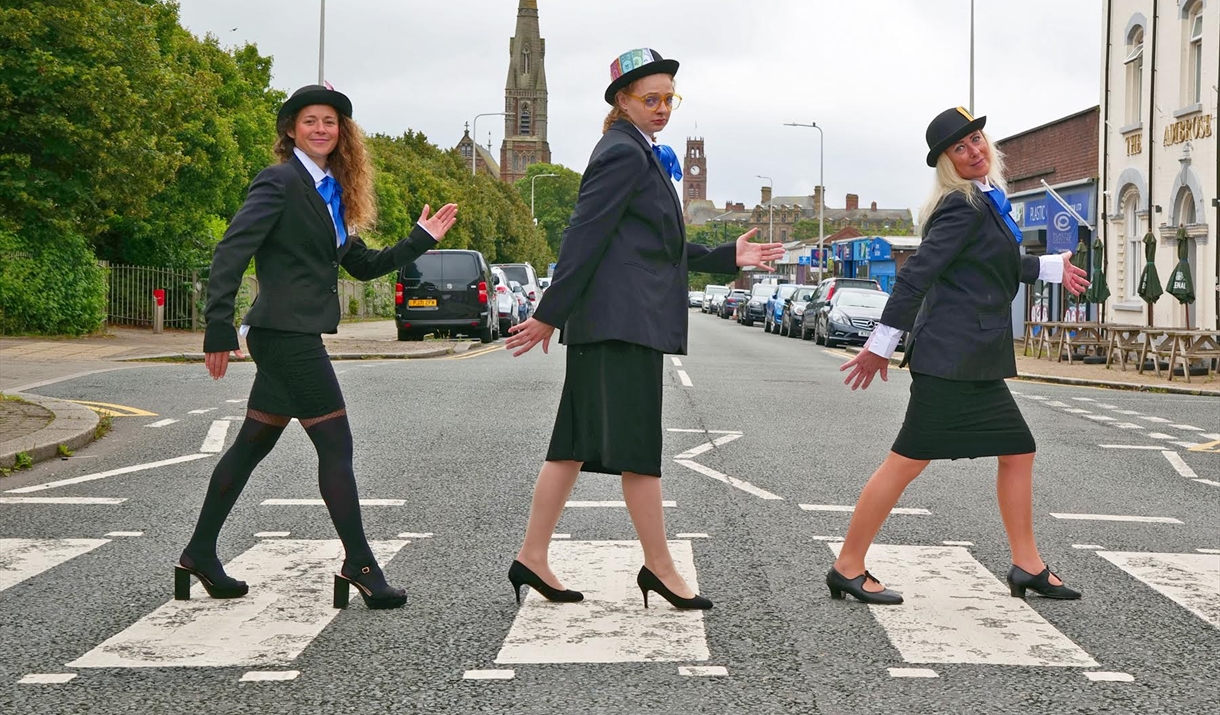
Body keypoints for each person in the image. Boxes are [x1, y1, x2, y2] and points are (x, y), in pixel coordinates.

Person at [504, 49, 785, 610]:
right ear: (622, 101)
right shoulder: (622, 154)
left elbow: (660, 245)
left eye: (668, 99)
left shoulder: (637, 152)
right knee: (639, 452)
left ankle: (532, 557)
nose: (661, 109)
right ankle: (659, 567)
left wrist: (730, 253)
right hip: (620, 326)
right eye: (650, 99)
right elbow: (585, 236)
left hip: (614, 323)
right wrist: (548, 313)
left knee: (572, 445)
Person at [175, 85, 458, 610]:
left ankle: (199, 552)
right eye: (311, 121)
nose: (322, 129)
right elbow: (232, 250)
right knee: (337, 447)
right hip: (285, 337)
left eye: (330, 121)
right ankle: (360, 564)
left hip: (293, 334)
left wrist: (420, 237)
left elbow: (361, 264)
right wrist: (217, 327)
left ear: (341, 132)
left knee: (252, 445)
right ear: (290, 130)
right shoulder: (280, 181)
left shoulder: (330, 193)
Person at [829, 107, 1090, 605]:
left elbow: (995, 261)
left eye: (977, 139)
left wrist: (1053, 268)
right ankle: (847, 565)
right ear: (946, 161)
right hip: (950, 361)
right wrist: (879, 346)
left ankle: (1027, 565)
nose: (974, 151)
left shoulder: (986, 201)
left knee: (1017, 449)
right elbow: (916, 274)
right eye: (960, 147)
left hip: (971, 359)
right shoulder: (961, 205)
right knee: (905, 462)